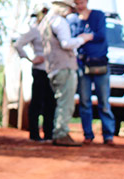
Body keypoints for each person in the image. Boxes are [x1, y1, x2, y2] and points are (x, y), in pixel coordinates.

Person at [39, 0, 92, 146]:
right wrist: (83, 38)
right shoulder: (59, 21)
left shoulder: (46, 21)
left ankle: (58, 132)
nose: (71, 12)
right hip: (64, 66)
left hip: (52, 66)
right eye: (70, 8)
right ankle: (61, 133)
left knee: (60, 100)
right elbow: (66, 43)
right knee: (65, 102)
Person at [71, 0, 115, 145]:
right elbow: (73, 39)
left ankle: (108, 135)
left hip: (100, 64)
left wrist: (87, 37)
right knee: (84, 101)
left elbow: (101, 35)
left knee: (103, 101)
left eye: (82, 2)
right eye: (77, 3)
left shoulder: (98, 15)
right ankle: (88, 134)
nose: (80, 5)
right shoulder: (73, 20)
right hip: (83, 65)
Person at [12, 4, 56, 142]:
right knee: (37, 102)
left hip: (53, 71)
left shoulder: (54, 30)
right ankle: (34, 134)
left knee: (51, 103)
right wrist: (31, 58)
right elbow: (18, 44)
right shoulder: (34, 31)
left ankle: (49, 134)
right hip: (39, 70)